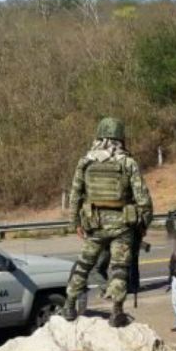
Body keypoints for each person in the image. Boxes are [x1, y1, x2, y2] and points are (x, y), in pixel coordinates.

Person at [62, 117, 153, 327]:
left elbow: (75, 195)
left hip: (94, 225)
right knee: (119, 268)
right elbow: (143, 200)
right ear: (121, 138)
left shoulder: (86, 162)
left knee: (83, 265)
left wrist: (75, 222)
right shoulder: (127, 163)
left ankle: (69, 305)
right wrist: (142, 226)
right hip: (122, 226)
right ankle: (116, 312)